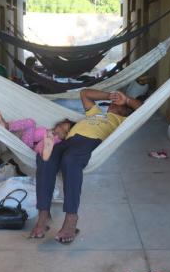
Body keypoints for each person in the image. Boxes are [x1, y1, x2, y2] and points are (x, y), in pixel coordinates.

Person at [30, 89, 143, 243]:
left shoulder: (122, 121)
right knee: (45, 157)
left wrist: (127, 100)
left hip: (90, 141)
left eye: (117, 104)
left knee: (70, 161)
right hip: (69, 141)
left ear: (126, 111)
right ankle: (44, 214)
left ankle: (71, 218)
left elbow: (143, 109)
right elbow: (84, 93)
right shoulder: (96, 112)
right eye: (112, 103)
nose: (112, 105)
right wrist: (110, 95)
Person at [0, 112, 73, 161]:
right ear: (58, 125)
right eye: (61, 127)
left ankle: (8, 127)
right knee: (31, 123)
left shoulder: (57, 141)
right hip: (27, 141)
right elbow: (34, 134)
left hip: (31, 149)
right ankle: (7, 126)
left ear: (67, 136)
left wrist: (52, 138)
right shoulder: (47, 130)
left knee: (31, 123)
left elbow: (41, 147)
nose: (60, 130)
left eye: (64, 132)